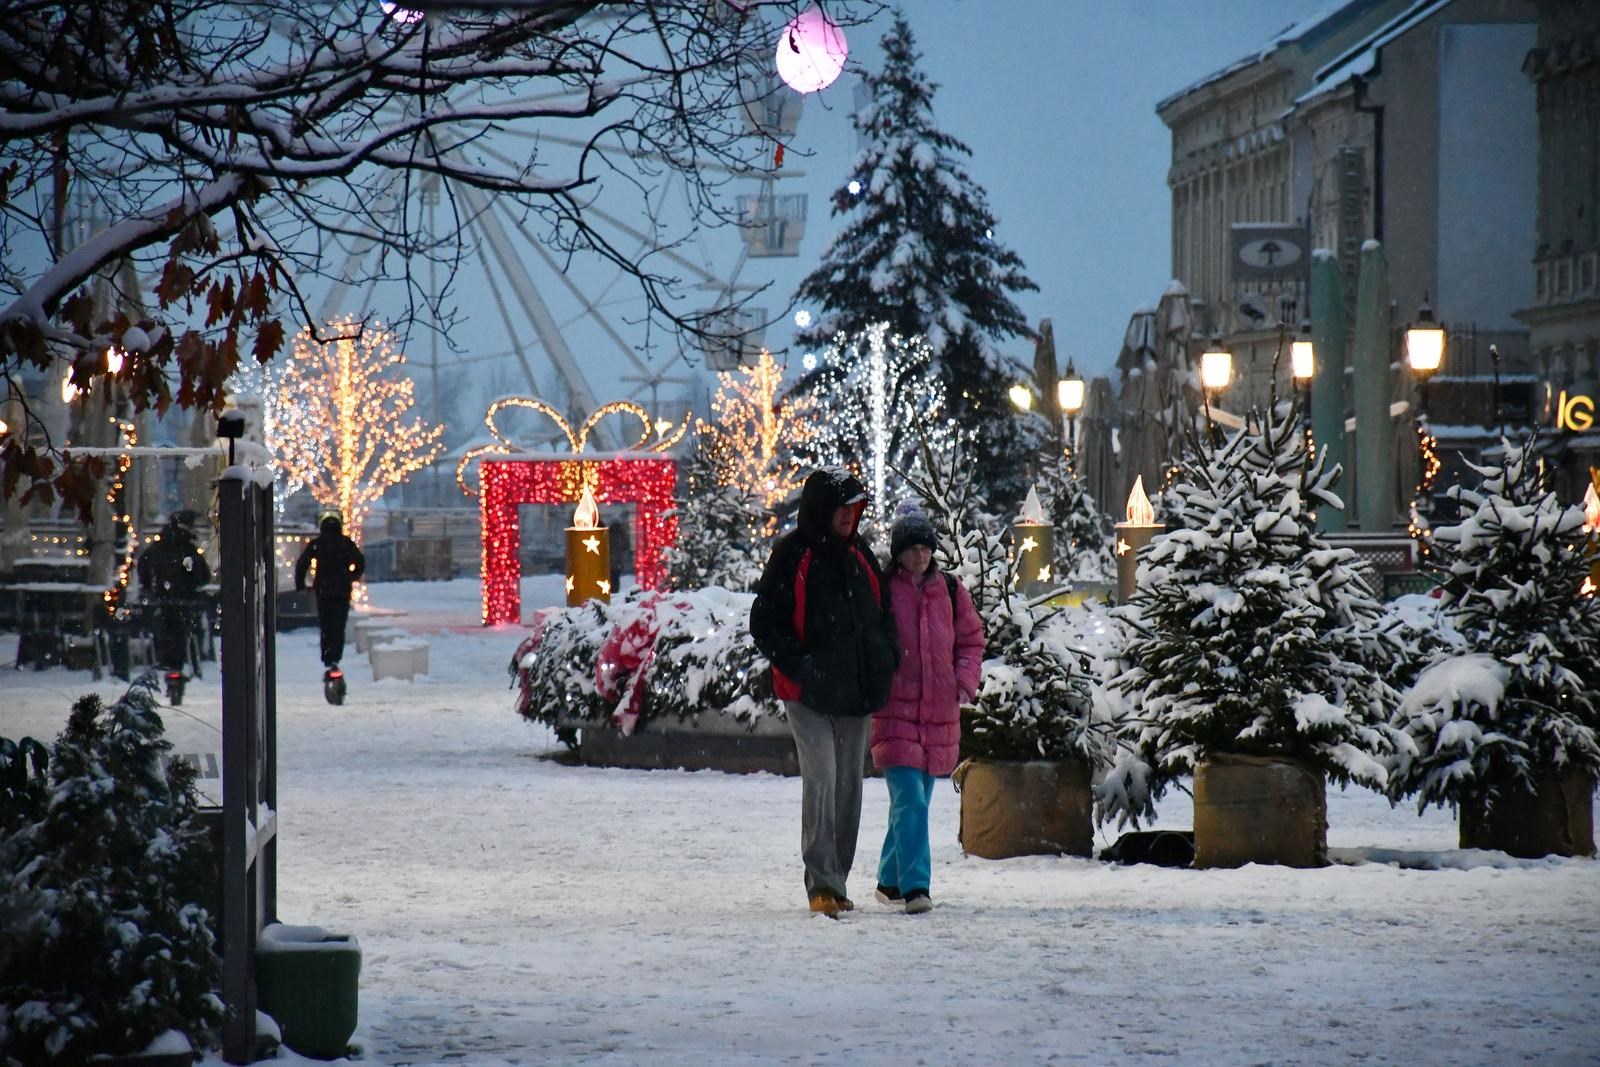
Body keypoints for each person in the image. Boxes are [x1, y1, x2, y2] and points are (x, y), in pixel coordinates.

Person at [749, 467, 900, 919]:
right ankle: (822, 882)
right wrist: (801, 665)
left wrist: (886, 657)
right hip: (807, 693)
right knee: (823, 780)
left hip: (856, 693)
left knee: (849, 785)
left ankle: (837, 880)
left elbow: (883, 614)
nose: (850, 517)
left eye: (854, 509)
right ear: (823, 510)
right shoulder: (792, 554)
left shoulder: (861, 556)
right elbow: (766, 622)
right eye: (842, 508)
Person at [870, 502, 985, 915]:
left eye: (926, 547)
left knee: (914, 800)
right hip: (894, 711)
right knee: (910, 801)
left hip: (939, 712)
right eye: (911, 548)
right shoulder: (881, 590)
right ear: (898, 551)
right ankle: (917, 887)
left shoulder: (952, 590)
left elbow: (971, 641)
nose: (920, 555)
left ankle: (889, 879)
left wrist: (963, 682)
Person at [137, 511, 212, 675]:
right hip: (185, 600)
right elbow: (203, 575)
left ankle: (165, 659)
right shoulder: (188, 548)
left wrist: (148, 586)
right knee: (185, 631)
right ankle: (186, 661)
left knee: (165, 628)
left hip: (163, 598)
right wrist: (193, 584)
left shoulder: (159, 546)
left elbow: (143, 562)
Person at [294, 510, 366, 669]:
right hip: (342, 590)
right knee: (339, 625)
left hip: (323, 591)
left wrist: (300, 585)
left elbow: (302, 564)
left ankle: (327, 655)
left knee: (326, 624)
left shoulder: (317, 544)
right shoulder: (346, 543)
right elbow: (360, 562)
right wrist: (351, 577)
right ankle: (336, 656)